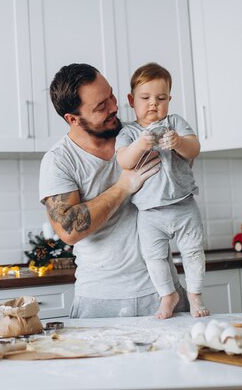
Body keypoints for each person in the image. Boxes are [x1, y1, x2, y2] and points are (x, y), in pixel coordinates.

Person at [38, 63, 189, 318]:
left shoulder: (139, 135)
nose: (114, 107)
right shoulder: (59, 160)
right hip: (100, 300)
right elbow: (68, 229)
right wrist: (123, 186)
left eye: (111, 96)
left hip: (163, 294)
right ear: (72, 119)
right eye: (101, 106)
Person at [115, 62, 208, 319]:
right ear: (131, 100)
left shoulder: (175, 122)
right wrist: (141, 144)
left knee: (193, 252)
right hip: (149, 212)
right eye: (145, 98)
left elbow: (194, 148)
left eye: (161, 98)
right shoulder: (128, 132)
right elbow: (124, 160)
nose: (153, 104)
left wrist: (178, 142)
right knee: (154, 258)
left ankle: (195, 295)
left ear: (170, 99)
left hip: (184, 204)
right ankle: (168, 296)